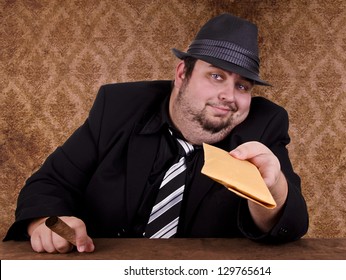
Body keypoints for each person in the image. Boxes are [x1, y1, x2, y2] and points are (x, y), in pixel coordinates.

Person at [4, 13, 308, 253]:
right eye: (216, 76)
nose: (229, 95)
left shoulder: (263, 124)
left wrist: (274, 188)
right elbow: (50, 183)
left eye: (242, 85)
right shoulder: (120, 107)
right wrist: (46, 223)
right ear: (181, 74)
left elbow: (290, 225)